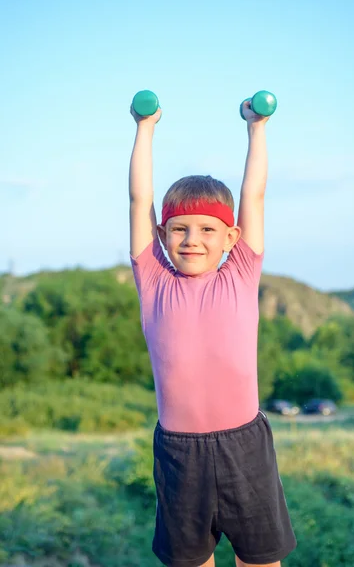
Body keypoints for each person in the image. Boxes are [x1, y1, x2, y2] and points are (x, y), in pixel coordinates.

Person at [128, 97, 297, 567]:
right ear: (162, 236)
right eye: (179, 229)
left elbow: (255, 196)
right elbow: (140, 200)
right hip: (180, 454)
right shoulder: (154, 280)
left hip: (245, 446)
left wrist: (256, 128)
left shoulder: (241, 274)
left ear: (231, 237)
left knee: (261, 560)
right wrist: (146, 127)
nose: (192, 239)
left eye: (207, 229)